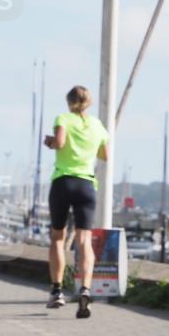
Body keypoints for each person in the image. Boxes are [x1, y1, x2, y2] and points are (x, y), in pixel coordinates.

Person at [43, 85, 108, 319]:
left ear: (69, 102)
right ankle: (85, 289)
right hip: (86, 185)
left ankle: (57, 291)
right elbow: (106, 155)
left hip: (63, 182)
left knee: (58, 238)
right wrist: (86, 149)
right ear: (88, 103)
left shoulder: (64, 118)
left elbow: (60, 143)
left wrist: (50, 141)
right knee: (84, 242)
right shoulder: (98, 125)